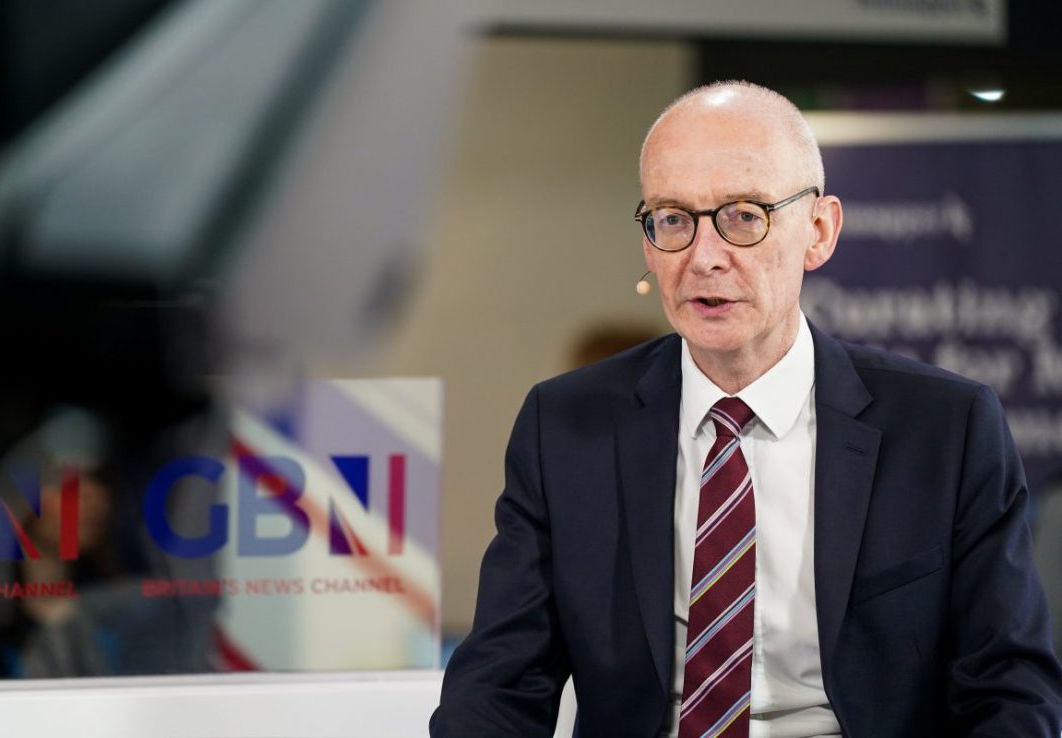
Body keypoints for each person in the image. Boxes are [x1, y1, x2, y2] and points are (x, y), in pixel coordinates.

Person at [430, 81, 1062, 737]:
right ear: (647, 240)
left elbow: (1009, 691)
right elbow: (500, 684)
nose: (703, 258)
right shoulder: (565, 427)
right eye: (672, 219)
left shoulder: (944, 430)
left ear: (818, 231)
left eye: (742, 216)